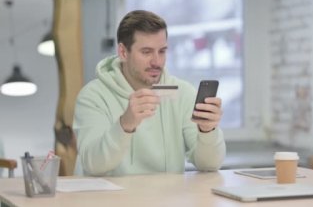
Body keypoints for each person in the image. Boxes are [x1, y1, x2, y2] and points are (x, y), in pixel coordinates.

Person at [73, 10, 225, 176]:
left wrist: (207, 131)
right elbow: (93, 165)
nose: (156, 61)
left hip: (165, 200)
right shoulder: (93, 96)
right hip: (111, 201)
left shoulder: (183, 93)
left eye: (162, 51)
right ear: (123, 52)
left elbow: (210, 166)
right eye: (146, 52)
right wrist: (125, 125)